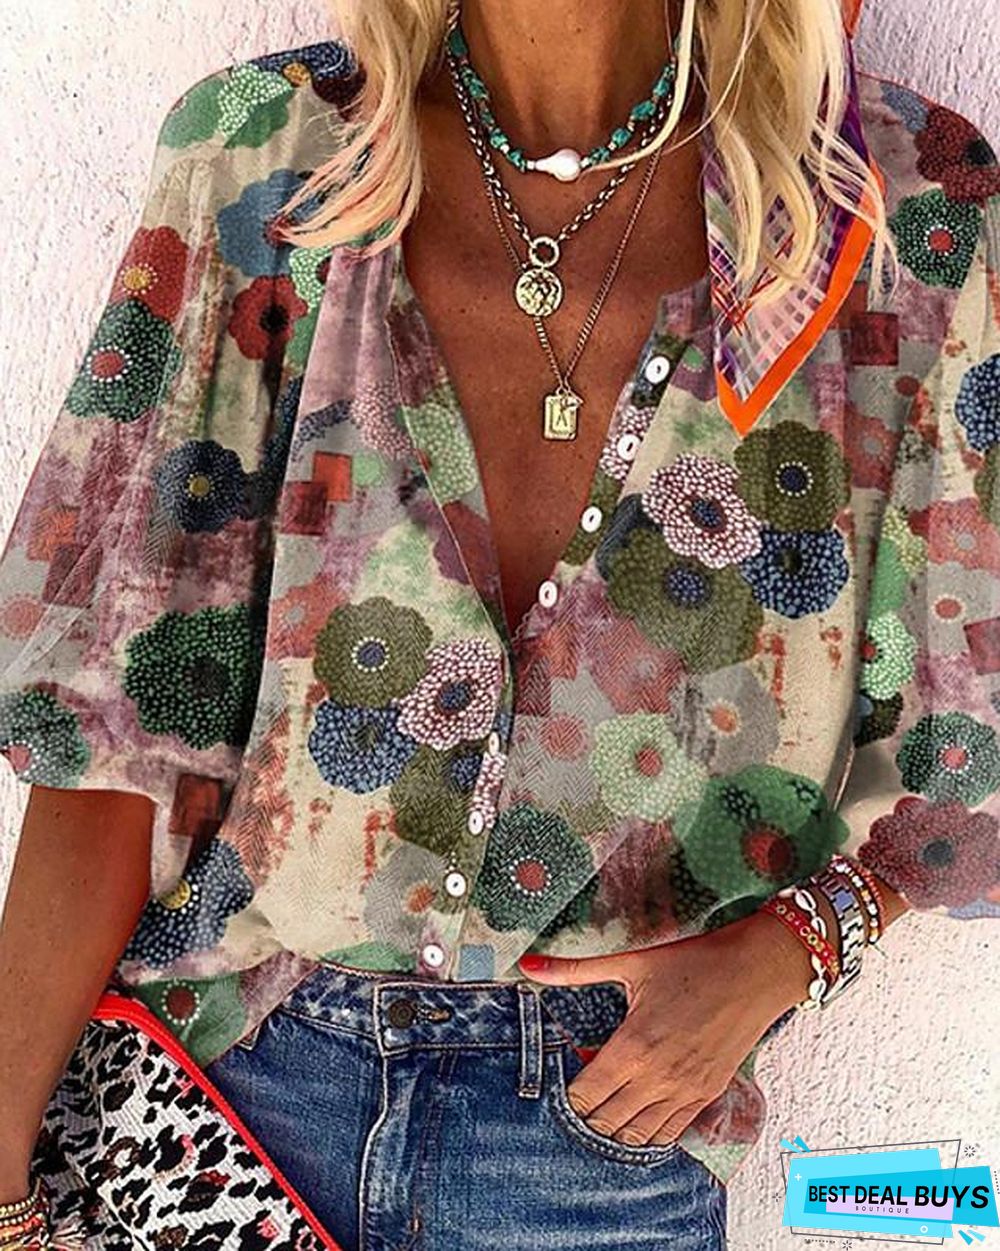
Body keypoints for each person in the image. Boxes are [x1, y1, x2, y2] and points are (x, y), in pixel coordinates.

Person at [0, 0, 997, 1246]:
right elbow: (112, 719)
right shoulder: (267, 154)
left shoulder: (901, 208)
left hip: (599, 1140)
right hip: (229, 1094)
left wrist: (790, 953)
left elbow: (974, 713)